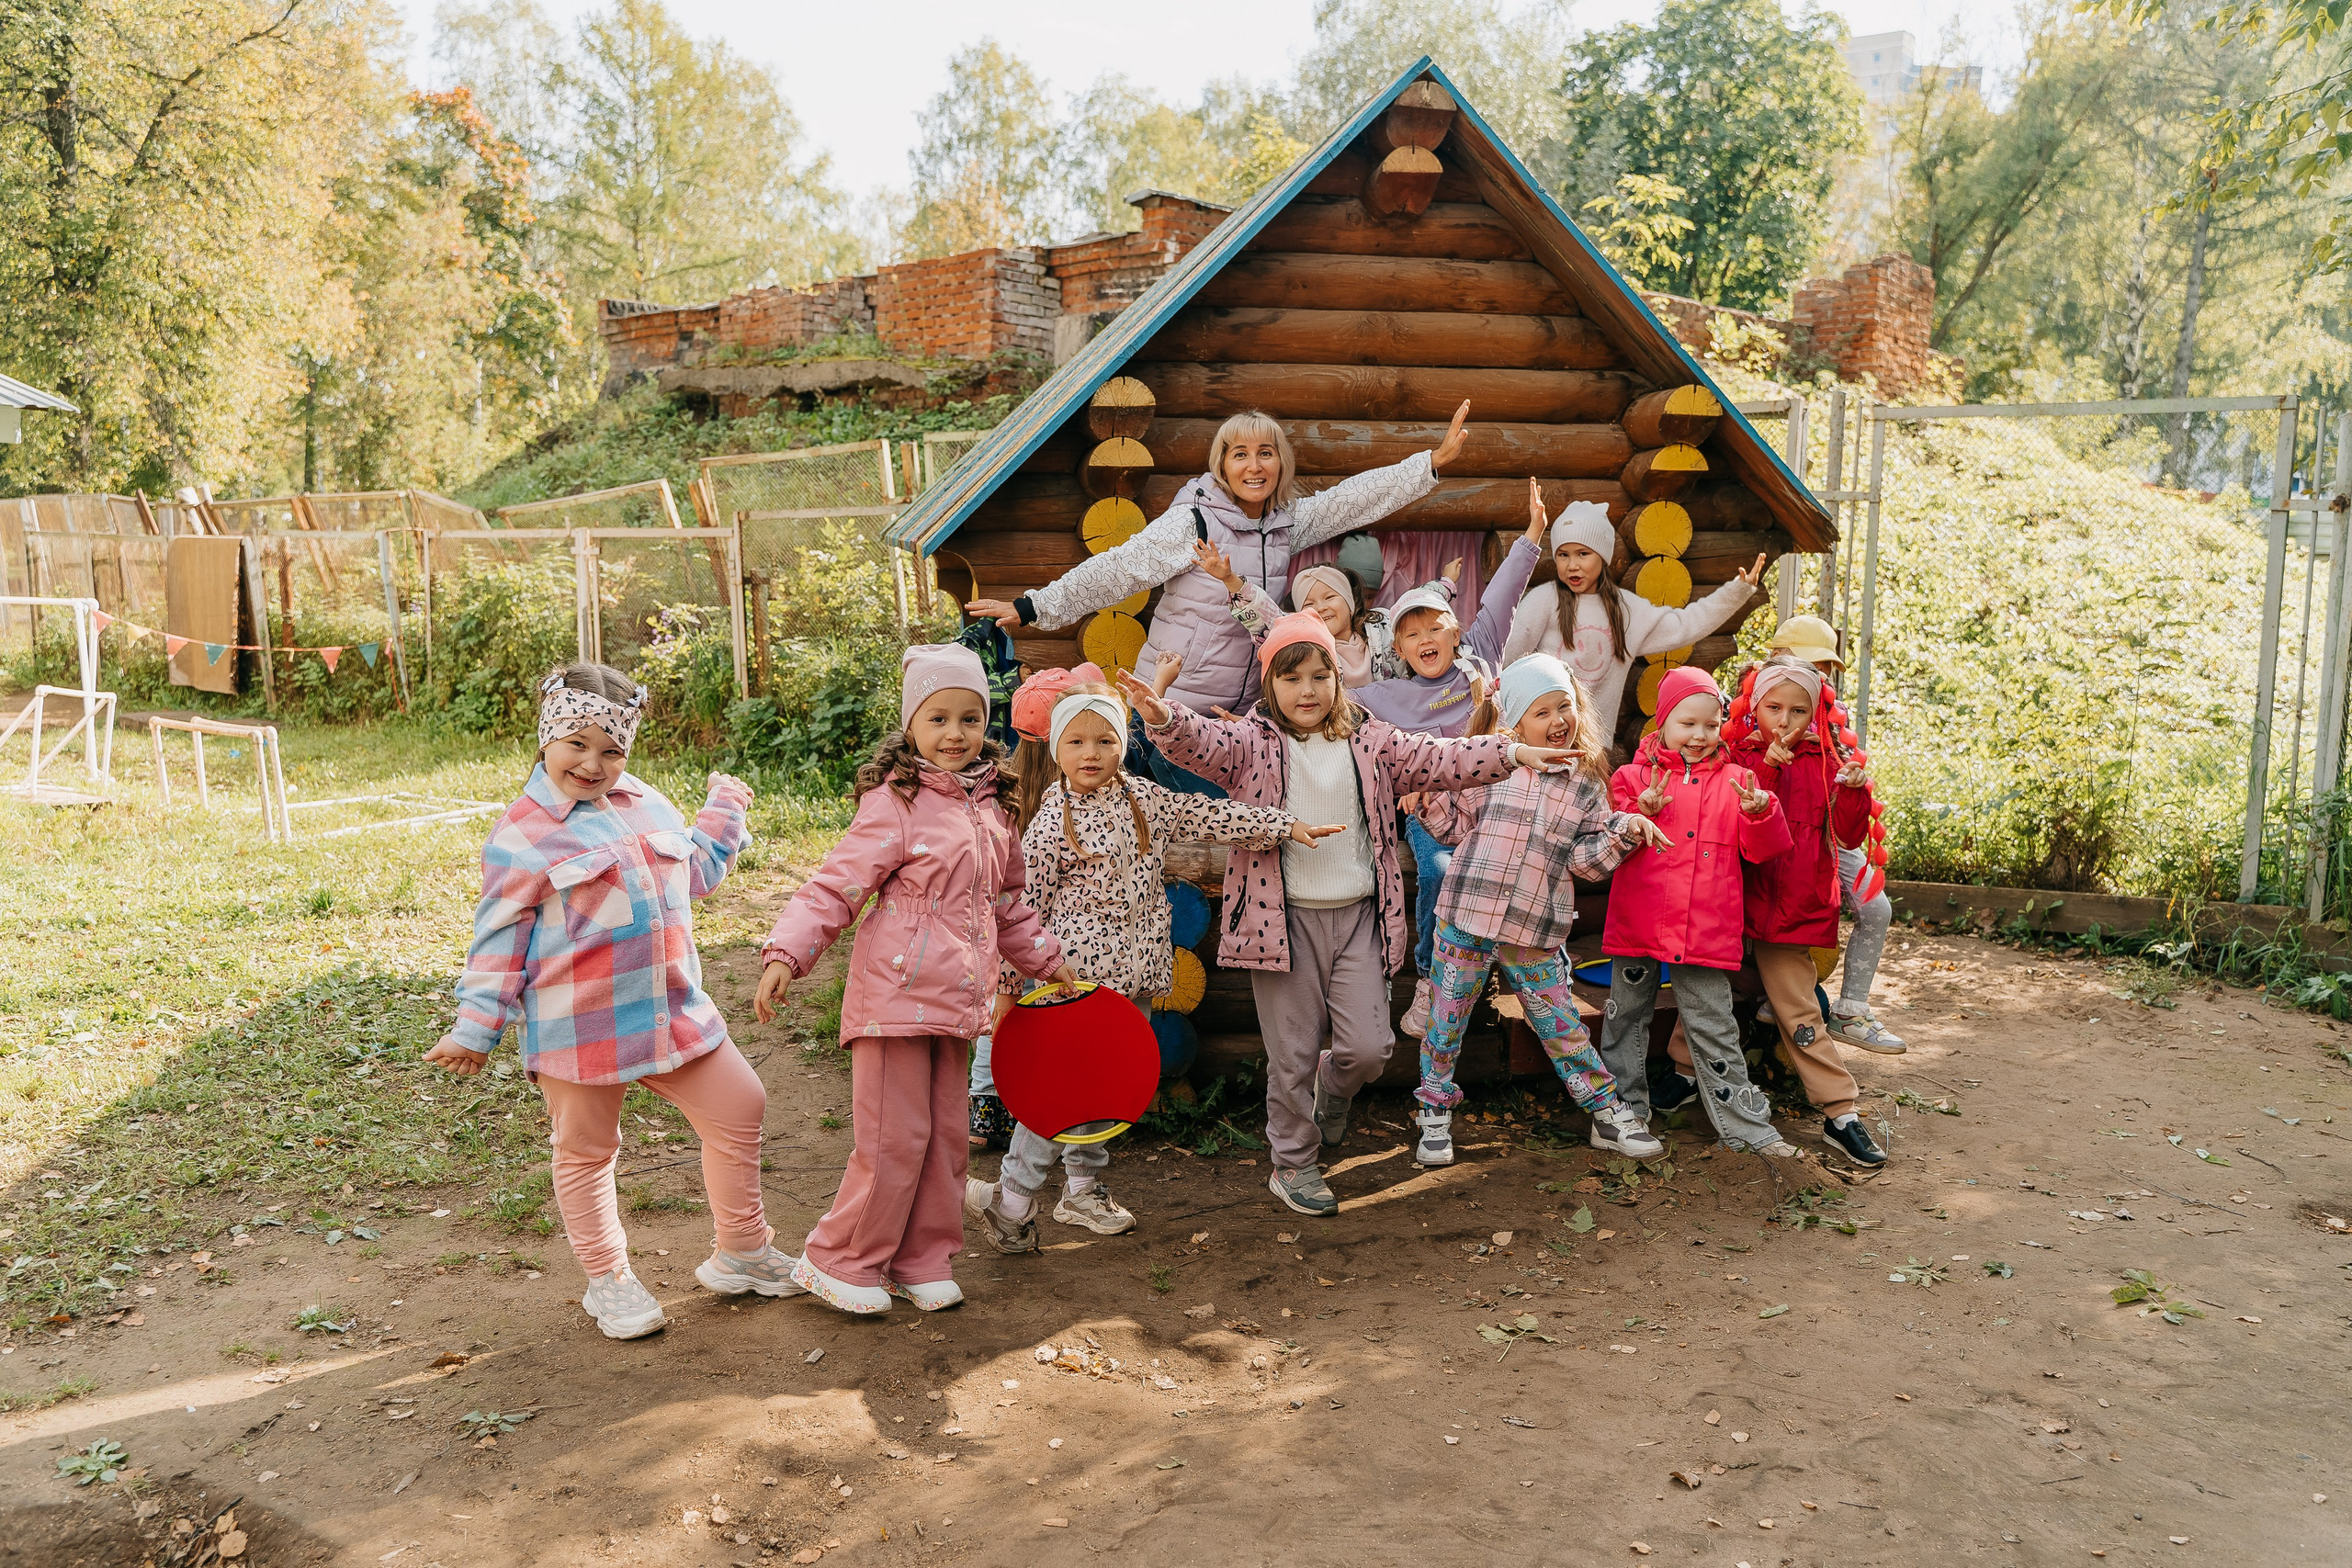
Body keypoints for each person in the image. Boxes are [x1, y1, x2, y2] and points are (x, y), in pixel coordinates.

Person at [1116, 613, 1572, 1217]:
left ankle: (1333, 1092)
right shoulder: (1251, 743)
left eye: (1318, 674)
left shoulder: (1372, 739)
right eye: (1291, 678)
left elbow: (1443, 758)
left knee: (1368, 1049)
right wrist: (1160, 715)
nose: (1306, 690)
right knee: (1291, 1055)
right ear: (1269, 686)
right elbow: (1198, 741)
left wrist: (1512, 751)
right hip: (1282, 924)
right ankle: (1293, 1164)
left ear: (1336, 677)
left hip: (1359, 917)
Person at [426, 663, 782, 1341]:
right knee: (587, 1150)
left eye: (612, 749)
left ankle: (743, 1250)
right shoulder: (522, 834)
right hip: (579, 1025)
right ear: (545, 738)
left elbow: (697, 872)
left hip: (671, 1009)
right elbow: (498, 939)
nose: (594, 763)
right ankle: (608, 1279)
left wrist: (725, 812)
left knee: (741, 1104)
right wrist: (477, 1028)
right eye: (576, 743)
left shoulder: (648, 804)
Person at [754, 645, 1079, 1314]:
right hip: (894, 998)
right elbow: (836, 884)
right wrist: (788, 953)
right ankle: (841, 1257)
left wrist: (1047, 959)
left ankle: (922, 1257)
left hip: (959, 1002)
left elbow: (1008, 906)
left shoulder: (995, 809)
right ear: (912, 727)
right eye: (938, 719)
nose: (954, 733)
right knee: (893, 1138)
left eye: (968, 718)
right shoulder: (894, 802)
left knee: (946, 1138)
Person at [965, 687, 1325, 1250]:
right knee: (1063, 1095)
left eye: (1105, 740)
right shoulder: (1048, 825)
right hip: (1072, 989)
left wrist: (1284, 826)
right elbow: (1020, 912)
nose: (1092, 752)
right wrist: (1010, 990)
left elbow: (1208, 814)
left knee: (1102, 1090)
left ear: (1122, 744)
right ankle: (1012, 1199)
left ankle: (1080, 1190)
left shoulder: (1143, 799)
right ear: (1057, 750)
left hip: (1131, 984)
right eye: (1077, 741)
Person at [964, 403, 1475, 716]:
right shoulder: (1194, 522)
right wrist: (1034, 607)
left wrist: (1428, 464)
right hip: (1176, 699)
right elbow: (1117, 569)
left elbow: (1351, 500)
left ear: (1281, 462)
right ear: (1222, 464)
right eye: (1240, 454)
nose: (1254, 466)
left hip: (1246, 706)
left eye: (1266, 453)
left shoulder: (1284, 522)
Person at [1409, 655, 1672, 1166]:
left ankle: (1605, 1112)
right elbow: (1452, 830)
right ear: (1513, 723)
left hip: (1534, 929)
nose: (1557, 721)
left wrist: (1626, 831)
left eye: (1564, 707)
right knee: (1445, 1023)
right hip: (1466, 916)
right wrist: (1424, 799)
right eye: (1541, 711)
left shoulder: (1585, 788)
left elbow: (1585, 863)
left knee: (1563, 1027)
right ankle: (1434, 1111)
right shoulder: (1489, 770)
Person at [1353, 479, 1553, 1038]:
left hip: (1498, 800)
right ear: (1398, 650)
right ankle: (1431, 980)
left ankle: (1529, 975)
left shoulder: (1479, 657)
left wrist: (1532, 534)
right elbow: (1322, 704)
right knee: (1440, 871)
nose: (1424, 638)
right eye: (1410, 633)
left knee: (1524, 867)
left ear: (1456, 630)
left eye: (1434, 626)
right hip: (1435, 812)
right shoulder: (1386, 697)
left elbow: (1505, 592)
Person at [1596, 665, 1800, 1156]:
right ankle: (1621, 1114)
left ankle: (1744, 1124)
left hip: (1705, 930)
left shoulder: (1739, 780)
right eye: (1687, 723)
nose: (1700, 735)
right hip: (1639, 924)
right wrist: (1638, 811)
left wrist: (1760, 813)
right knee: (1625, 1019)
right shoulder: (1630, 778)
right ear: (1662, 722)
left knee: (1713, 1024)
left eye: (1711, 725)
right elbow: (1606, 843)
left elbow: (1763, 851)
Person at [1725, 657, 1887, 1168]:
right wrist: (1768, 765)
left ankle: (1840, 1113)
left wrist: (1854, 792)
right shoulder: (1737, 755)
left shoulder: (1825, 762)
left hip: (1789, 909)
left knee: (1799, 1011)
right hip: (1732, 901)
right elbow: (1742, 814)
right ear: (1756, 707)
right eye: (1774, 707)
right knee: (1710, 994)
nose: (1785, 720)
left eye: (1799, 710)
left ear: (1815, 713)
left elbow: (1850, 834)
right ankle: (1685, 1078)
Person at [967, 663, 1110, 1152]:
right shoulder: (1063, 801)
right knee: (1034, 1024)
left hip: (1009, 933)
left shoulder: (1004, 787)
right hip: (1043, 937)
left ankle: (985, 1112)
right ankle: (1044, 1112)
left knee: (1001, 1021)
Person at [1498, 494, 1767, 743]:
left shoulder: (1627, 610)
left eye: (1583, 553)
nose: (1572, 565)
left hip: (1593, 747)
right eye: (1563, 555)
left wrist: (1736, 591)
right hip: (1540, 741)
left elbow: (1685, 625)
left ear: (1603, 557)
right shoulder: (1544, 600)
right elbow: (1506, 661)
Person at [1768, 614, 1905, 1055]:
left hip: (1827, 836)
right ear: (1779, 658)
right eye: (1813, 664)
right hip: (1777, 839)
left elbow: (1846, 819)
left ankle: (1851, 1009)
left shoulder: (1830, 719)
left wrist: (1851, 785)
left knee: (1876, 908)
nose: (1822, 675)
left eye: (1825, 667)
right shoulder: (1757, 707)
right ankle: (1773, 995)